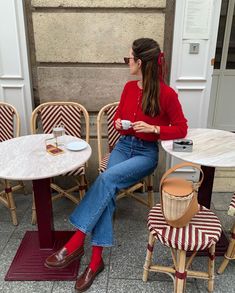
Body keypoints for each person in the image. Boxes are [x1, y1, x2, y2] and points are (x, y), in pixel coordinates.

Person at [44, 37, 188, 292]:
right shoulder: (129, 88)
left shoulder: (167, 94)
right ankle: (95, 261)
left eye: (129, 58)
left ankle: (76, 241)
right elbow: (120, 115)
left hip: (145, 154)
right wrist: (121, 122)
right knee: (107, 189)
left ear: (140, 62)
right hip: (123, 146)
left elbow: (181, 128)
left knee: (106, 180)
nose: (127, 62)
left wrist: (154, 128)